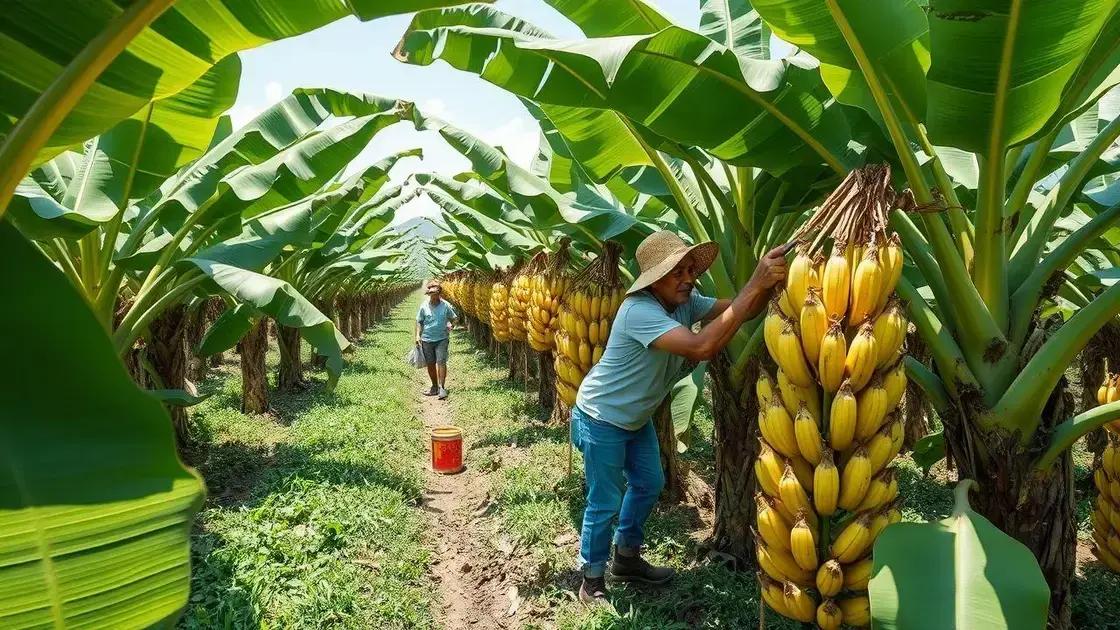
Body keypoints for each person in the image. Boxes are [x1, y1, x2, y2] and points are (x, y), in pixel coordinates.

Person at [571, 230, 788, 604]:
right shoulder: (639, 311)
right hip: (601, 417)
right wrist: (755, 282)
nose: (688, 278)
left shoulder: (685, 304)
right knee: (604, 500)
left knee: (649, 483)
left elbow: (741, 307)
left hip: (635, 419)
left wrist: (771, 282)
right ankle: (591, 581)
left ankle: (626, 558)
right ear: (655, 279)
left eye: (690, 270)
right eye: (677, 272)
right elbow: (702, 346)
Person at [415, 280, 457, 399]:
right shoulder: (424, 306)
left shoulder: (445, 305)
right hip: (427, 339)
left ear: (439, 294)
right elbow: (419, 321)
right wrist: (417, 335)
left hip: (442, 339)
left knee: (441, 362)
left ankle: (442, 388)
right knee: (431, 364)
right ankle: (434, 387)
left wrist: (451, 325)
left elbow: (454, 318)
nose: (433, 298)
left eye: (435, 295)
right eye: (431, 295)